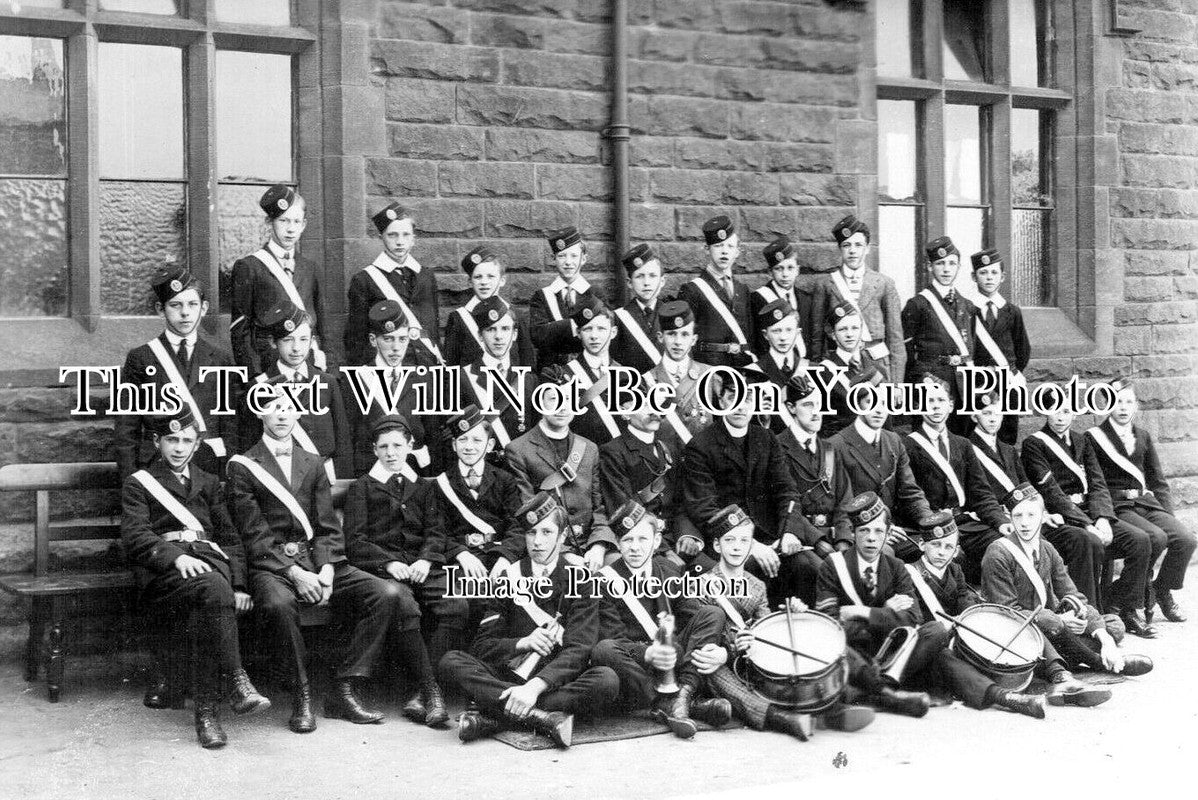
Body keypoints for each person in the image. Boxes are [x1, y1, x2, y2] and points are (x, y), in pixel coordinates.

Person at [228, 393, 401, 733]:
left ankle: (344, 687)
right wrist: (294, 572)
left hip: (316, 559)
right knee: (279, 604)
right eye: (273, 408)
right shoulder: (243, 465)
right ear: (260, 414)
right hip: (272, 565)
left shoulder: (313, 461)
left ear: (297, 413)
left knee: (387, 594)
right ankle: (301, 694)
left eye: (288, 408)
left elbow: (327, 526)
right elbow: (254, 535)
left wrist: (326, 569)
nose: (281, 415)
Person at [120, 408, 269, 748]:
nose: (179, 447)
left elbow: (230, 537)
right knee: (213, 592)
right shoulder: (139, 483)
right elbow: (136, 535)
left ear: (197, 443)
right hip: (164, 576)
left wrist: (240, 584)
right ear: (157, 441)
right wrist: (176, 557)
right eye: (171, 439)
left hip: (210, 571)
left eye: (187, 440)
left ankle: (208, 714)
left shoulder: (208, 481)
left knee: (210, 600)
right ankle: (235, 682)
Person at [439, 492, 619, 748]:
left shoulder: (580, 579)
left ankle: (497, 717)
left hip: (553, 682)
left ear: (562, 537)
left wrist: (533, 689)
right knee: (451, 661)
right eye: (531, 533)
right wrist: (522, 642)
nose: (537, 541)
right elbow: (482, 646)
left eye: (546, 532)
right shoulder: (509, 577)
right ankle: (540, 718)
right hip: (510, 676)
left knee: (606, 679)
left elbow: (580, 649)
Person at [700, 504, 876, 737]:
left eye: (744, 541)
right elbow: (705, 637)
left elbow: (764, 628)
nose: (736, 548)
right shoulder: (702, 585)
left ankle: (825, 708)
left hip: (751, 657)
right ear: (716, 545)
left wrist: (791, 616)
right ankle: (781, 718)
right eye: (729, 541)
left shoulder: (757, 585)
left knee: (799, 644)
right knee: (711, 668)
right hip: (723, 658)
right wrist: (731, 649)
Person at [342, 414, 465, 728]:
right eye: (383, 447)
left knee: (456, 604)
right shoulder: (363, 488)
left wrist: (426, 559)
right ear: (374, 450)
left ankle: (419, 693)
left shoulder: (423, 486)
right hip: (388, 571)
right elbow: (355, 541)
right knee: (405, 605)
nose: (391, 453)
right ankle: (430, 691)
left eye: (398, 445)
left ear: (410, 446)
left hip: (421, 567)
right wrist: (388, 563)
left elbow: (437, 531)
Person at [981, 484, 1154, 690]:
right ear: (1009, 517)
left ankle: (1072, 656)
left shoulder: (1047, 549)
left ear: (1043, 516)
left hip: (1052, 628)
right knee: (1052, 625)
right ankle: (1095, 662)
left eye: (1031, 515)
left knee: (1113, 627)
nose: (1025, 523)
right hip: (1016, 631)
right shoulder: (998, 553)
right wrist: (1061, 621)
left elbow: (1074, 596)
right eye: (1018, 516)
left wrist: (1103, 638)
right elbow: (1007, 614)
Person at [590, 500, 732, 739]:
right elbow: (613, 638)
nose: (635, 547)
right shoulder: (604, 581)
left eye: (642, 539)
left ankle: (683, 695)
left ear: (656, 541)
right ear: (618, 544)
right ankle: (671, 704)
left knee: (712, 613)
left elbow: (692, 616)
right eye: (627, 540)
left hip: (674, 660)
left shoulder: (669, 570)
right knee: (604, 649)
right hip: (637, 672)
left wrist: (723, 651)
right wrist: (648, 654)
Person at [1021, 404, 1156, 637]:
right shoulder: (1035, 443)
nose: (1060, 417)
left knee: (1140, 540)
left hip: (1091, 512)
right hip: (1060, 516)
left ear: (1073, 413)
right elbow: (1052, 492)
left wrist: (1103, 518)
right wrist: (1087, 524)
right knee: (1088, 541)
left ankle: (1124, 607)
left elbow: (1097, 482)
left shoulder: (1081, 440)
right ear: (1045, 413)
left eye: (1065, 411)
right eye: (1054, 411)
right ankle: (1089, 613)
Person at [904, 512, 1052, 718]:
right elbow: (914, 620)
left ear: (956, 551)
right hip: (922, 652)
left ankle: (1043, 680)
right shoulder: (908, 574)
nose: (941, 552)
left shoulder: (955, 571)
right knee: (944, 655)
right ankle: (1006, 697)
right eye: (935, 545)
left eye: (948, 547)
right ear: (922, 545)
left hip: (949, 648)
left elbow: (965, 604)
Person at [681, 364, 804, 604]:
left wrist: (789, 532)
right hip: (726, 544)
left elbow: (787, 491)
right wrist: (750, 545)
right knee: (750, 570)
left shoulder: (766, 438)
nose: (740, 406)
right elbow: (704, 508)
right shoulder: (701, 445)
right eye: (732, 397)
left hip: (771, 537)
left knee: (807, 567)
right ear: (721, 401)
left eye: (747, 398)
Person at [968, 392, 1104, 606]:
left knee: (1082, 539)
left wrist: (1045, 514)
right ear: (974, 416)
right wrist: (1004, 521)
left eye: (997, 413)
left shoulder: (1008, 450)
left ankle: (1086, 610)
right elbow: (980, 496)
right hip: (999, 522)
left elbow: (1028, 488)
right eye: (986, 413)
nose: (993, 418)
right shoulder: (968, 448)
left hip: (1028, 518)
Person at [813, 492, 934, 718]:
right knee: (830, 641)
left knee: (934, 631)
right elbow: (829, 622)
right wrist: (888, 614)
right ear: (853, 533)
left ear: (888, 534)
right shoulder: (833, 565)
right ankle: (885, 694)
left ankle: (869, 692)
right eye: (864, 531)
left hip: (889, 651)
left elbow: (913, 618)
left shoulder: (897, 566)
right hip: (853, 649)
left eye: (878, 531)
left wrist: (863, 612)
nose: (871, 538)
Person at [1086, 379, 1197, 625]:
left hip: (1146, 503)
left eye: (1128, 402)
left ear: (1136, 406)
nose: (1123, 408)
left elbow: (1157, 481)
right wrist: (1103, 514)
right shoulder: (1093, 438)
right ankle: (1129, 600)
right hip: (1119, 506)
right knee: (1155, 538)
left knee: (1186, 539)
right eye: (1117, 402)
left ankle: (1160, 590)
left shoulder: (1143, 436)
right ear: (1106, 405)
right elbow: (1097, 483)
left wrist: (1169, 516)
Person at [114, 266, 240, 481]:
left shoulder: (221, 359)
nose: (185, 312)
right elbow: (127, 428)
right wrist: (131, 482)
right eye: (175, 305)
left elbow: (230, 426)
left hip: (208, 472)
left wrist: (228, 474)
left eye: (192, 304)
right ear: (160, 309)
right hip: (157, 470)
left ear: (204, 308)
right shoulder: (141, 358)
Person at [505, 366, 613, 571]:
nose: (562, 407)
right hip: (548, 549)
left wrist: (598, 546)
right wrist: (563, 554)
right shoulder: (518, 449)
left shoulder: (589, 448)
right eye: (554, 399)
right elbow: (528, 516)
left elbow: (600, 508)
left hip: (590, 548)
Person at [903, 374, 1012, 572]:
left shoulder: (962, 444)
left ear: (951, 405)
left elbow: (981, 493)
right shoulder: (907, 445)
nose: (935, 407)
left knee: (1006, 544)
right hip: (928, 526)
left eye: (941, 400)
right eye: (929, 401)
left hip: (963, 523)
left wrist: (1001, 521)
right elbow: (908, 497)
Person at [242, 302, 351, 483]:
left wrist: (343, 482)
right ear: (273, 342)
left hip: (324, 477)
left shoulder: (327, 382)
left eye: (303, 339)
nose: (296, 348)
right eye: (287, 340)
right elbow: (250, 442)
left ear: (312, 341)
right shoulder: (258, 386)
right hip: (279, 477)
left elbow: (343, 441)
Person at [828, 371, 933, 549]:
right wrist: (879, 528)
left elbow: (910, 492)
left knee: (935, 550)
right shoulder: (836, 445)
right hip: (859, 532)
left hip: (893, 529)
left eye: (884, 403)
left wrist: (931, 523)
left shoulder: (893, 440)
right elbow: (840, 506)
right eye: (870, 402)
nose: (879, 410)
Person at [231, 184, 326, 375]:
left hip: (309, 365)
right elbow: (240, 331)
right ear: (269, 222)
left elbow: (322, 325)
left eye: (296, 222)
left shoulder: (310, 268)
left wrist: (324, 364)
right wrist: (256, 376)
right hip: (270, 368)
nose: (291, 229)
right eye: (284, 221)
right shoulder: (250, 267)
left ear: (304, 225)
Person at [775, 376, 854, 604]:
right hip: (802, 540)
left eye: (819, 405)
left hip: (833, 539)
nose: (816, 412)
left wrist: (842, 542)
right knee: (823, 572)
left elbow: (844, 500)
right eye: (808, 405)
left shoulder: (829, 449)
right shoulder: (778, 448)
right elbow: (785, 504)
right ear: (791, 408)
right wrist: (819, 541)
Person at [342, 299, 434, 475]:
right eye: (388, 339)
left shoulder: (421, 377)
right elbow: (349, 435)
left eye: (402, 339)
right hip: (372, 472)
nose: (396, 348)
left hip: (415, 470)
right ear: (373, 340)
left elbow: (432, 431)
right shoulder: (356, 378)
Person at [433, 405, 524, 583]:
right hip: (462, 560)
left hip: (499, 554)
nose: (469, 447)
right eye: (462, 440)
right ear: (453, 445)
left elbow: (517, 524)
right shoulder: (441, 483)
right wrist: (460, 554)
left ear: (489, 445)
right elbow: (436, 530)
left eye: (476, 440)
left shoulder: (504, 479)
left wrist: (505, 556)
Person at [344, 202, 441, 367]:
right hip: (388, 368)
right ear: (382, 237)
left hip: (426, 367)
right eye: (392, 235)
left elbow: (433, 329)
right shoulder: (365, 280)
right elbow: (357, 338)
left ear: (413, 239)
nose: (399, 242)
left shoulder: (426, 276)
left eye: (406, 235)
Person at [600, 388, 690, 564]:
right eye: (644, 405)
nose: (653, 411)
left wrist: (686, 535)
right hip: (640, 542)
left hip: (675, 539)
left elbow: (681, 503)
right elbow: (623, 509)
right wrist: (665, 551)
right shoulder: (613, 452)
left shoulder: (668, 449)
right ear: (625, 413)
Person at [810, 215, 905, 381]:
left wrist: (896, 384)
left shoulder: (884, 283)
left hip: (876, 364)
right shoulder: (826, 284)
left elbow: (895, 339)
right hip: (839, 365)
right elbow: (817, 338)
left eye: (858, 245)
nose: (852, 250)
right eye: (847, 245)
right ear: (840, 248)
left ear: (867, 248)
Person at [901, 236, 977, 435]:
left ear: (959, 267)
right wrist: (919, 382)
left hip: (963, 383)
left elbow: (972, 347)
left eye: (952, 263)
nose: (946, 269)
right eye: (940, 263)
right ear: (929, 266)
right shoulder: (917, 305)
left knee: (962, 439)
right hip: (931, 380)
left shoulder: (967, 306)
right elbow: (906, 354)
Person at [458, 295, 539, 464]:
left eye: (505, 329)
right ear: (480, 335)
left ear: (515, 334)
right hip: (482, 470)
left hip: (521, 472)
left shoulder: (528, 379)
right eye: (490, 329)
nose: (498, 336)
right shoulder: (463, 378)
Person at [969, 249, 1030, 445]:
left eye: (994, 273)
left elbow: (1022, 350)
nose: (989, 278)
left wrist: (1010, 373)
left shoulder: (1012, 311)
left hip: (1007, 382)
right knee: (976, 432)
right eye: (983, 273)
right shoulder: (968, 311)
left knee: (1007, 432)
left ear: (1002, 277)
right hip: (979, 383)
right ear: (974, 276)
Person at [677, 215, 754, 367]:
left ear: (737, 252)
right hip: (707, 368)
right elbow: (685, 337)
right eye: (718, 246)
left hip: (740, 369)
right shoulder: (692, 290)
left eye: (730, 246)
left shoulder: (743, 290)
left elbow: (750, 335)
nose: (724, 252)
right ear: (707, 249)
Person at [442, 245, 535, 368]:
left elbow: (527, 363)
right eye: (478, 277)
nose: (484, 282)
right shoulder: (459, 318)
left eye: (490, 276)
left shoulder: (514, 315)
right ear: (469, 282)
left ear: (502, 280)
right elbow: (451, 367)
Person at [645, 300, 718, 443]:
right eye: (672, 334)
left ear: (694, 339)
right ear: (661, 337)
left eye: (685, 334)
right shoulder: (647, 380)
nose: (678, 341)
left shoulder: (709, 376)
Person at [529, 226, 600, 370]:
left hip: (588, 370)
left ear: (584, 258)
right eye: (562, 256)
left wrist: (555, 329)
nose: (568, 262)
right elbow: (538, 335)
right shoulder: (541, 296)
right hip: (551, 371)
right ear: (553, 259)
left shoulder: (595, 294)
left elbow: (601, 333)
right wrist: (576, 325)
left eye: (574, 256)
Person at [564, 295, 626, 447]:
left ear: (613, 332)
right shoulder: (564, 375)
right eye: (588, 329)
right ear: (578, 333)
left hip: (619, 461)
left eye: (601, 329)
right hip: (580, 456)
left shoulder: (627, 376)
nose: (594, 336)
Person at [816, 300, 880, 438]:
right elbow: (823, 427)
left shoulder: (877, 368)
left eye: (855, 328)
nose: (849, 334)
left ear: (861, 330)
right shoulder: (823, 373)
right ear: (833, 334)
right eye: (842, 329)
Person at [611, 243, 667, 374]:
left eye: (652, 276)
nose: (646, 282)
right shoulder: (619, 318)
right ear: (629, 283)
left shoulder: (672, 314)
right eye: (639, 276)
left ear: (662, 281)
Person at [751, 237, 808, 357]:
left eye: (790, 268)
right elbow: (756, 339)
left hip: (802, 366)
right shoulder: (757, 299)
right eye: (779, 269)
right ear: (770, 272)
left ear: (797, 270)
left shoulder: (805, 299)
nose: (785, 274)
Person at [754, 299, 807, 389]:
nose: (783, 337)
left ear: (798, 333)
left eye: (789, 330)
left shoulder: (813, 370)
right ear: (765, 334)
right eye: (776, 331)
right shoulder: (753, 372)